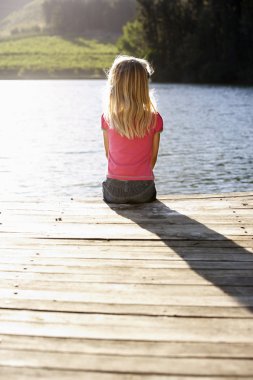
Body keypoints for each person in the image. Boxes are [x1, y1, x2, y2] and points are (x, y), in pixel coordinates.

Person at [101, 55, 163, 204]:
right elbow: (152, 159)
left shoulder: (108, 117)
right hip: (143, 189)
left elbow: (108, 154)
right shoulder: (155, 118)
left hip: (113, 191)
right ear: (143, 86)